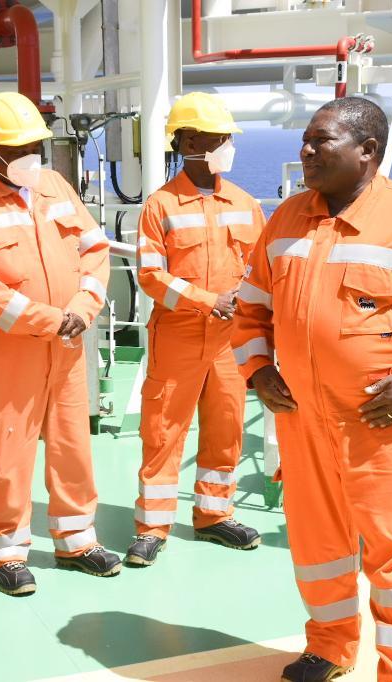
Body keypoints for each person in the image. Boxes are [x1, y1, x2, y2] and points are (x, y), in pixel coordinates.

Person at [233, 98, 392, 681]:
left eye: (320, 140)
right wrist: (258, 369)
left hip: (384, 427)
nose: (305, 151)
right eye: (305, 139)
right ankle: (328, 647)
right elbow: (250, 310)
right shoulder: (286, 219)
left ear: (367, 150)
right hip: (302, 423)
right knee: (317, 547)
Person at [0, 91, 121, 596]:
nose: (28, 156)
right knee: (5, 449)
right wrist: (49, 320)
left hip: (66, 341)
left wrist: (82, 308)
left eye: (34, 146)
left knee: (71, 443)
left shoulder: (54, 185)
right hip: (4, 348)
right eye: (17, 148)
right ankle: (4, 552)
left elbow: (95, 248)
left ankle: (76, 540)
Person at [129, 92, 265, 567]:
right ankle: (152, 527)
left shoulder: (245, 203)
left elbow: (260, 270)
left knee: (226, 428)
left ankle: (214, 515)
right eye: (218, 138)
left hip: (230, 341)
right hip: (179, 335)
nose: (227, 146)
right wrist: (210, 301)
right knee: (164, 431)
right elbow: (151, 276)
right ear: (189, 142)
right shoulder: (160, 206)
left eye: (227, 137)